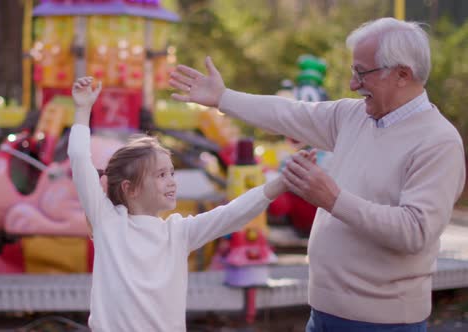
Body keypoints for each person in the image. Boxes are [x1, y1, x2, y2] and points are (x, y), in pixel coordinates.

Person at [169, 17, 465, 332]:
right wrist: (223, 98)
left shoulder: (438, 142)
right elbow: (289, 114)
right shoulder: (355, 116)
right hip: (323, 315)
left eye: (361, 72)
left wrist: (332, 199)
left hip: (382, 324)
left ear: (402, 74)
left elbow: (414, 232)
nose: (353, 84)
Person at [68, 76, 313, 331]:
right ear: (130, 188)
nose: (172, 181)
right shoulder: (108, 222)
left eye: (172, 173)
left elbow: (232, 214)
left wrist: (280, 183)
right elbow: (78, 158)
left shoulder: (178, 232)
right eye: (161, 175)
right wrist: (82, 109)